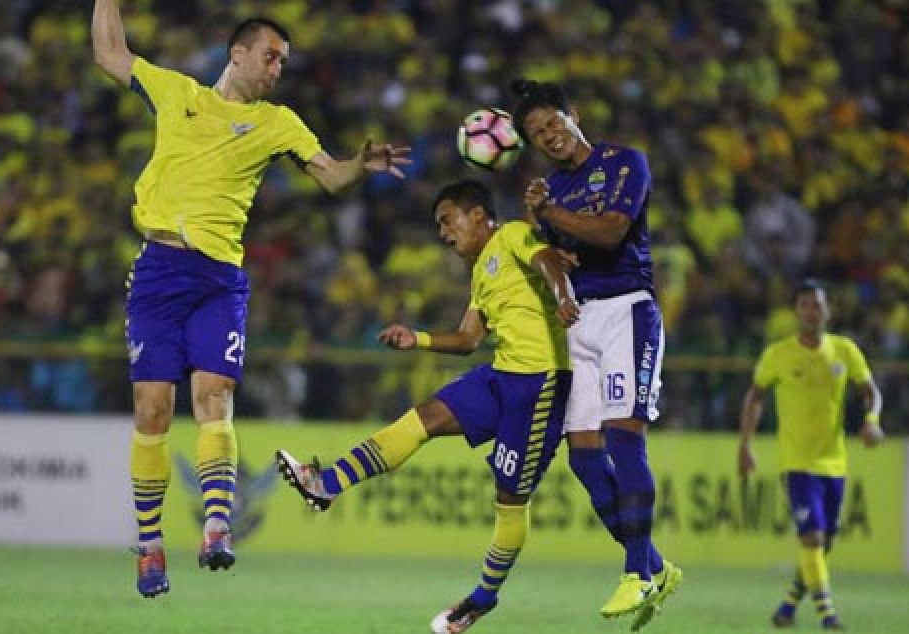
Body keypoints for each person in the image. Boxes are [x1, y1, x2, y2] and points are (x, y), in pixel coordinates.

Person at [91, 0, 411, 599]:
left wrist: (359, 166)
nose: (276, 69)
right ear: (237, 53)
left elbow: (330, 177)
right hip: (159, 270)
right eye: (270, 56)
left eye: (283, 62)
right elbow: (110, 53)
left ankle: (217, 525)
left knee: (214, 397)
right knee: (152, 409)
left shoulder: (279, 122)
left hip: (219, 278)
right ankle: (151, 544)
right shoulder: (176, 92)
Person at [276, 180, 579, 634]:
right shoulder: (482, 272)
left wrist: (565, 297)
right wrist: (415, 338)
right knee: (424, 417)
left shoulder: (514, 233)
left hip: (539, 385)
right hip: (501, 375)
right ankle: (327, 483)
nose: (442, 232)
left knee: (509, 499)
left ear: (478, 214)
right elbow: (468, 339)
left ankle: (481, 599)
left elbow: (548, 258)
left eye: (447, 219)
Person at [511, 78, 681, 630]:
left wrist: (550, 217)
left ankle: (638, 573)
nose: (549, 136)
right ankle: (655, 564)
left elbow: (609, 233)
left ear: (575, 115)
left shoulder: (625, 162)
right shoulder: (551, 195)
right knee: (583, 454)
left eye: (554, 123)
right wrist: (548, 243)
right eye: (538, 134)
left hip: (626, 313)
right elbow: (561, 257)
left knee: (624, 436)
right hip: (578, 320)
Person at [738, 279, 885, 630]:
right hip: (797, 462)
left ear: (827, 310)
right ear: (796, 312)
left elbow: (871, 391)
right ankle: (827, 613)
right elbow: (754, 397)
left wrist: (872, 420)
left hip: (835, 461)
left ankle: (788, 605)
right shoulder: (778, 354)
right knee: (812, 538)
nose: (811, 311)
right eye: (804, 305)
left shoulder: (844, 350)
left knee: (822, 543)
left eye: (816, 304)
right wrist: (745, 445)